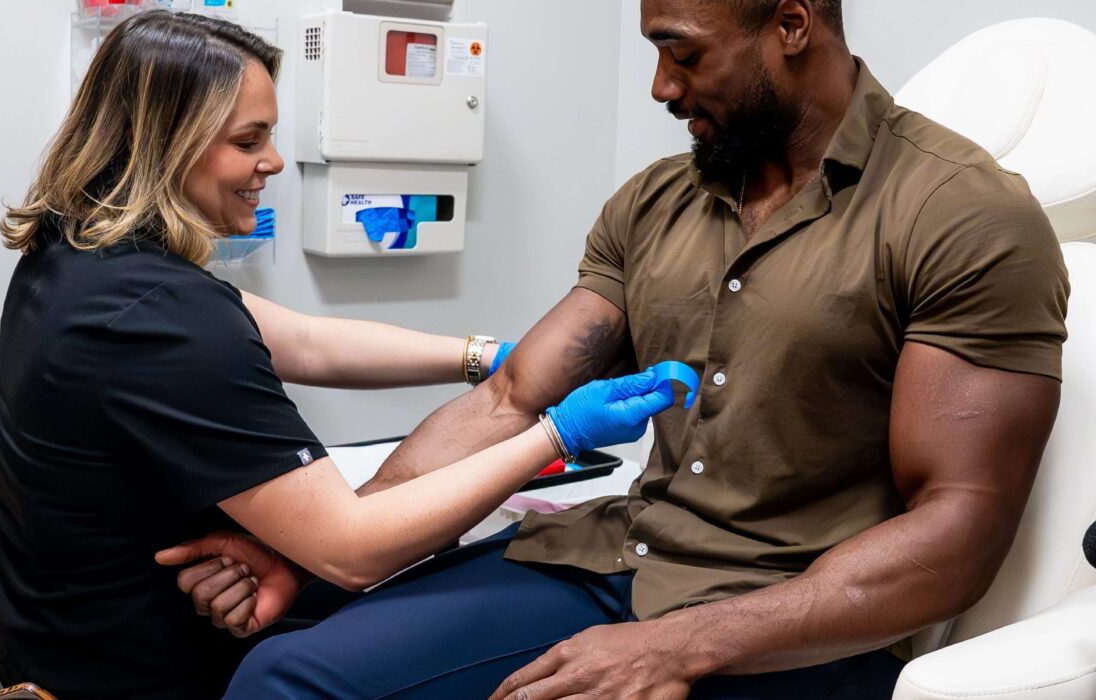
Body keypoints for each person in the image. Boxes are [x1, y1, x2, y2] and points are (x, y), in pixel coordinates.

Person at [170, 0, 1070, 698]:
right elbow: (511, 400)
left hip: (784, 624)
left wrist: (678, 645)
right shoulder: (656, 204)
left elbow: (960, 528)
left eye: (683, 51)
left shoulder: (962, 215)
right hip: (617, 560)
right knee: (277, 642)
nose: (661, 87)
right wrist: (331, 550)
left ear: (791, 24)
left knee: (292, 684)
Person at [0, 10, 677, 699]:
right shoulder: (161, 320)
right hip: (136, 662)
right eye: (248, 139)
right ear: (167, 145)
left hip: (45, 633)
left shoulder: (79, 259)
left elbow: (307, 343)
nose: (275, 161)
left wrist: (488, 355)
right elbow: (351, 549)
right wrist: (558, 433)